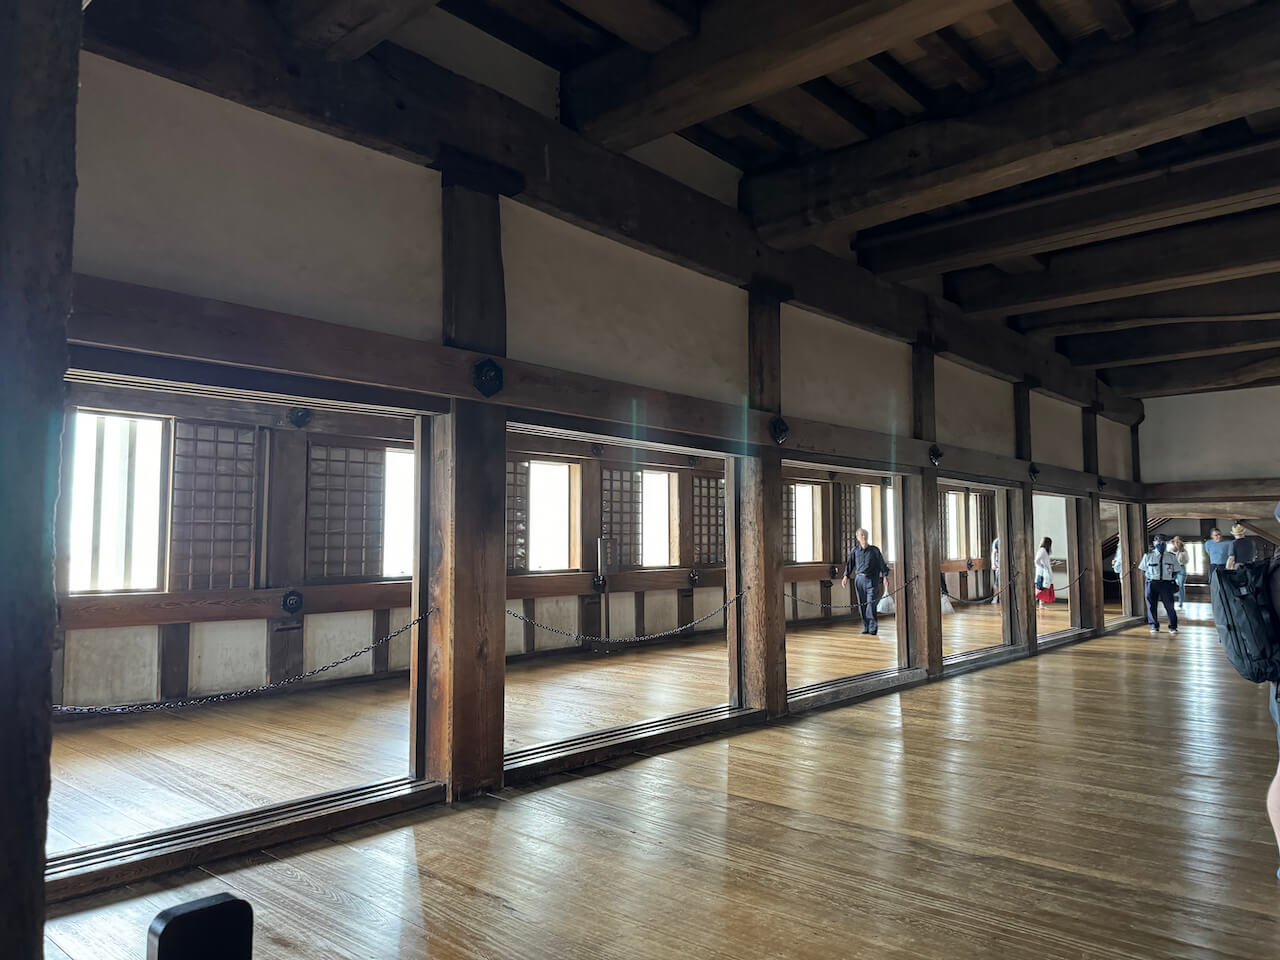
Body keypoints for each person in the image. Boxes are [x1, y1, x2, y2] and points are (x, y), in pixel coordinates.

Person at [842, 527, 890, 636]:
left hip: (872, 580)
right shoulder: (855, 551)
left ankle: (873, 628)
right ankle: (866, 627)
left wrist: (885, 576)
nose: (864, 537)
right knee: (862, 604)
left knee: (871, 604)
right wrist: (846, 576)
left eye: (865, 535)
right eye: (861, 535)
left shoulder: (874, 550)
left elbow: (882, 564)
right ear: (858, 538)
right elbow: (850, 564)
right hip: (859, 580)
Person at [1140, 533, 1181, 636]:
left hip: (1166, 584)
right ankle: (1154, 625)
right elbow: (1143, 569)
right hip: (1152, 583)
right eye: (1158, 542)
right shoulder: (1148, 556)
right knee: (1151, 605)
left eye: (1163, 542)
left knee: (1170, 606)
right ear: (1154, 543)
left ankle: (1173, 627)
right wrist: (1152, 576)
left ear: (1166, 543)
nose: (1160, 544)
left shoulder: (1171, 556)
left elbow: (1176, 570)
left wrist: (1168, 578)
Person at [1170, 536, 1189, 609]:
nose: (1176, 543)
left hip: (1181, 568)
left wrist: (1180, 555)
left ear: (1181, 543)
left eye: (1178, 542)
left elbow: (1186, 561)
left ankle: (1181, 602)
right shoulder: (1171, 550)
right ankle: (1172, 598)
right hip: (1173, 569)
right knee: (1170, 583)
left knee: (1181, 585)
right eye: (1175, 542)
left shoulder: (1184, 551)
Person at [1035, 537, 1054, 609]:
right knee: (1040, 589)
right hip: (1042, 573)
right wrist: (1043, 566)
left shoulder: (1043, 551)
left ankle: (1041, 605)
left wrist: (1050, 564)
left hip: (1044, 572)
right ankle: (1034, 604)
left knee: (1043, 588)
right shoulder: (1042, 550)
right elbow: (1036, 560)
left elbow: (1044, 562)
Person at [990, 537, 1000, 605]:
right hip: (998, 563)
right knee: (997, 581)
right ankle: (995, 598)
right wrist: (993, 564)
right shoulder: (996, 541)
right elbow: (993, 553)